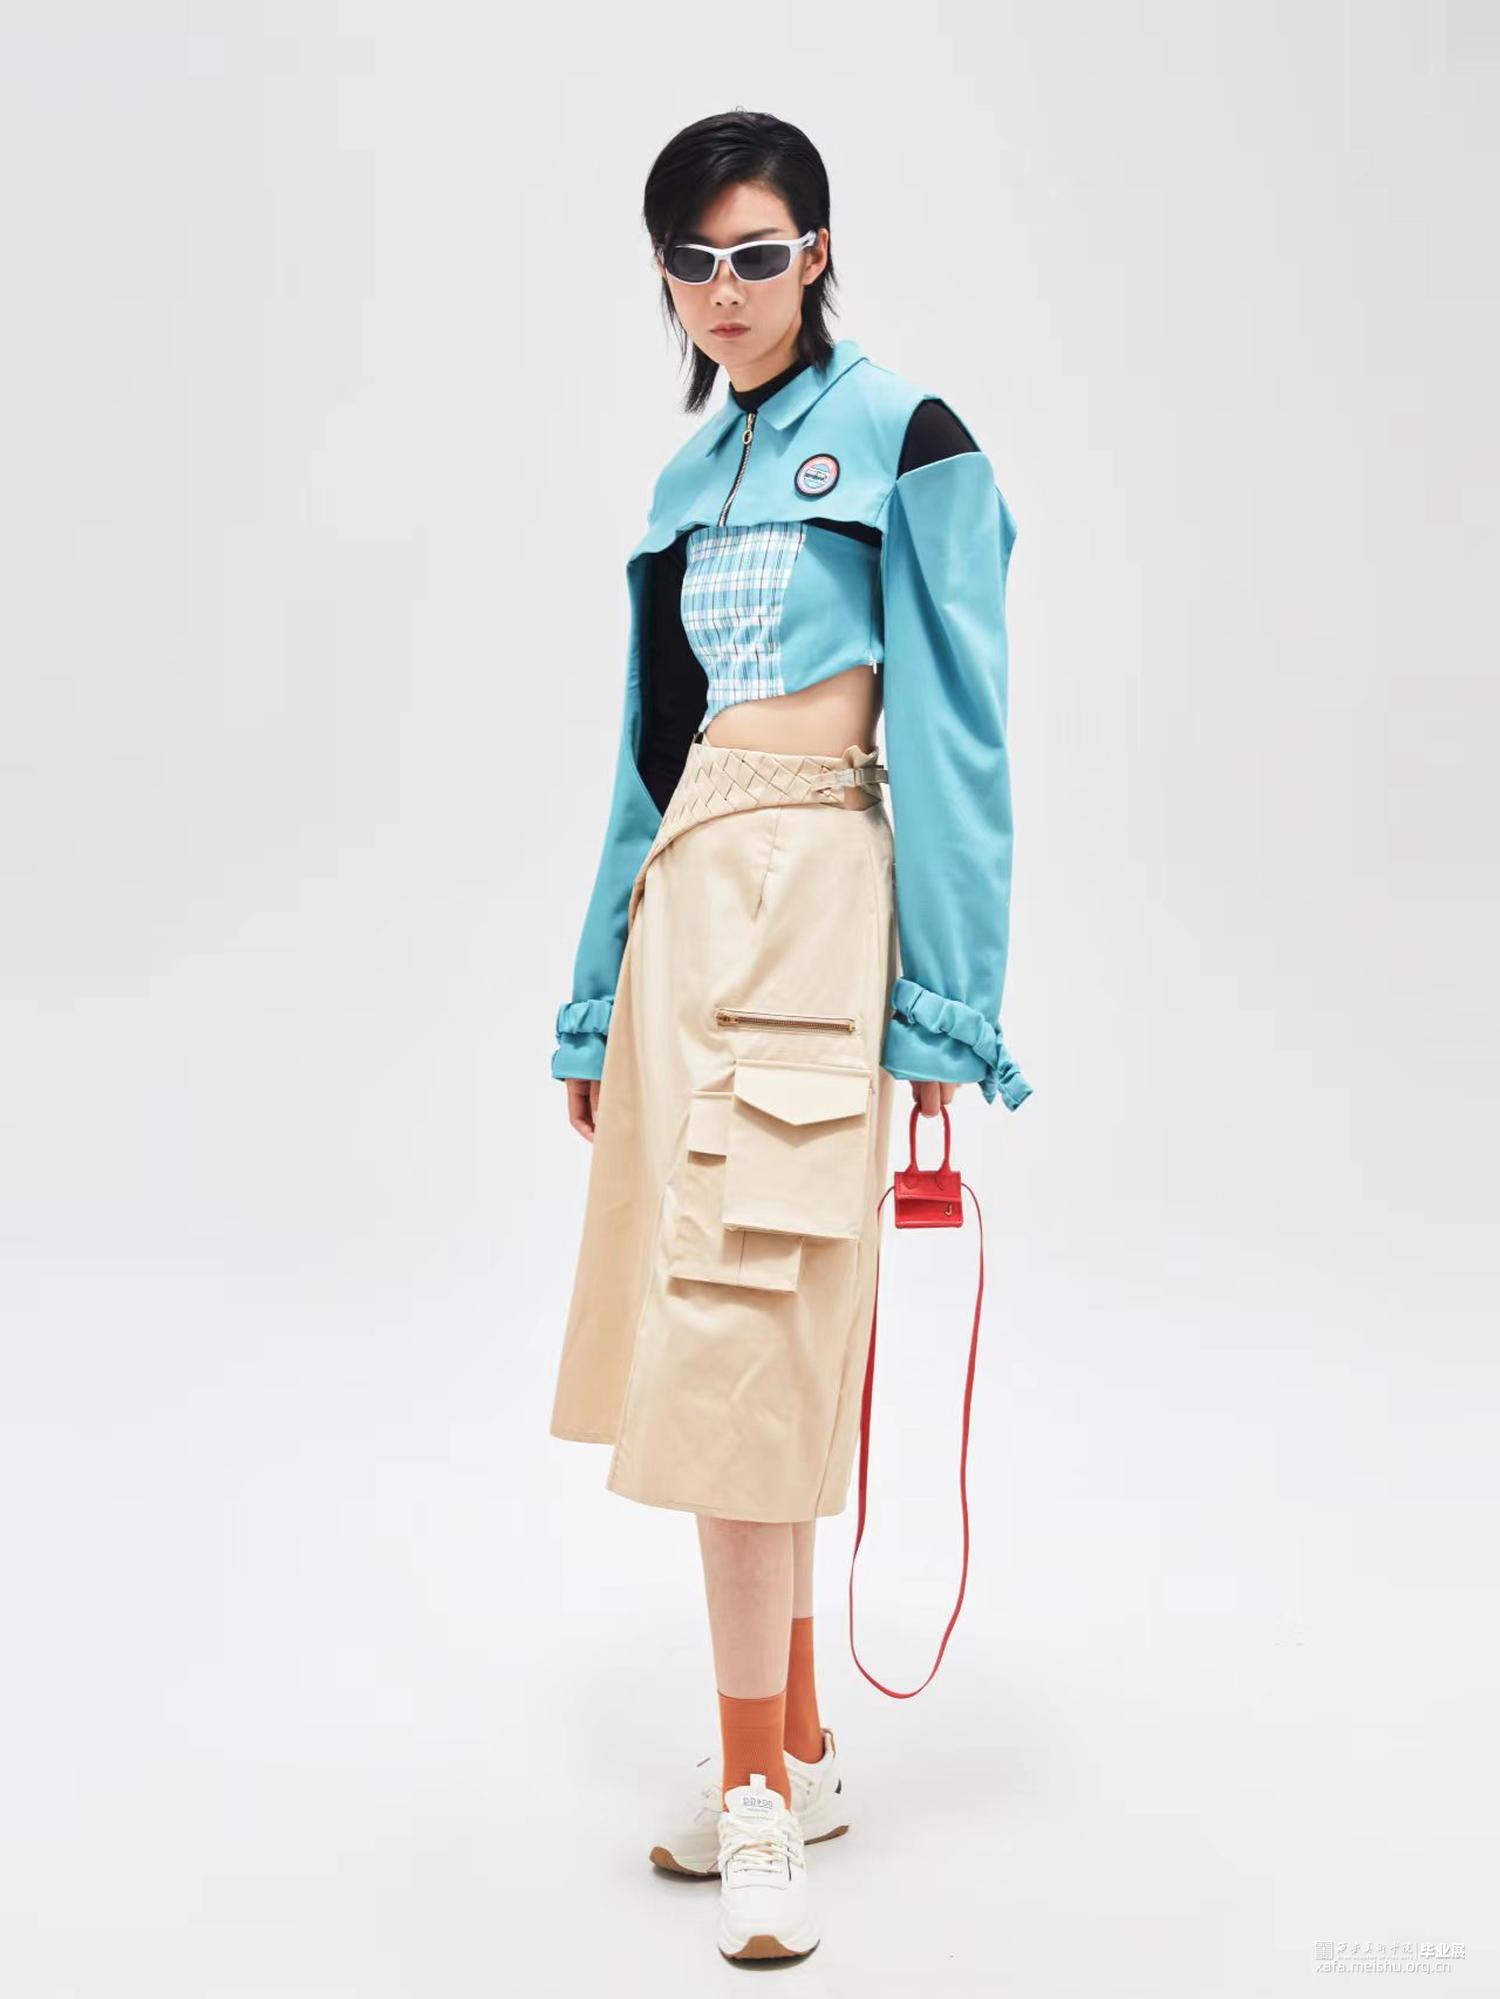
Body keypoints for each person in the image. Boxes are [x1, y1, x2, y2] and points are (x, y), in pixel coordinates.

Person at [547, 108, 1032, 1965]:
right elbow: (645, 756)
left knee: (751, 1337)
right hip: (686, 907)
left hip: (819, 898)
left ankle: (754, 1791)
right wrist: (591, 990)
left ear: (816, 251)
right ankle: (799, 1752)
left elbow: (960, 735)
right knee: (714, 1337)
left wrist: (948, 1003)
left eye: (759, 253)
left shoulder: (911, 436)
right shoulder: (690, 472)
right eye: (694, 261)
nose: (726, 288)